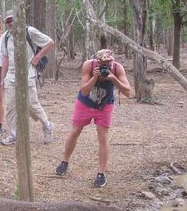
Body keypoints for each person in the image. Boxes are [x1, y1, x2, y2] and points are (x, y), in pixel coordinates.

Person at [54, 49, 131, 187]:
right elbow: (84, 90)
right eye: (103, 64)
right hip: (85, 103)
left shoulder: (117, 68)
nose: (106, 67)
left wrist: (113, 78)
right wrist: (94, 77)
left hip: (105, 105)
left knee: (103, 136)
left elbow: (128, 92)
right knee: (75, 131)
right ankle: (64, 161)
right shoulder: (88, 65)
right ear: (97, 62)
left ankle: (101, 173)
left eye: (109, 63)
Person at [0, 10, 55, 146]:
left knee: (31, 104)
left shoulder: (29, 31)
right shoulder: (5, 37)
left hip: (28, 73)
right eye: (8, 21)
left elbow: (49, 43)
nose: (11, 23)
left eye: (13, 19)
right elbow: (5, 59)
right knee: (11, 106)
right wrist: (2, 78)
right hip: (11, 76)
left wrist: (37, 57)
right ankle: (14, 133)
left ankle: (47, 125)